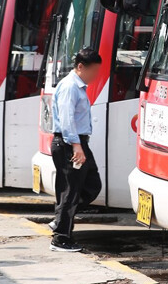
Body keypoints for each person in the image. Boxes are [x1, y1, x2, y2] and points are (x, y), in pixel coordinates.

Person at [49, 48, 103, 252]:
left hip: (76, 143)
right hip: (69, 143)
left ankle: (60, 219)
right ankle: (61, 238)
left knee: (90, 184)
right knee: (71, 190)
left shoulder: (78, 86)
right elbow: (66, 119)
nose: (94, 76)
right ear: (80, 67)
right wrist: (76, 146)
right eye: (92, 72)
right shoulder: (70, 86)